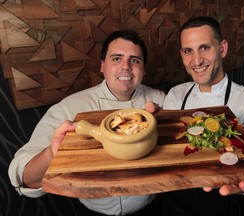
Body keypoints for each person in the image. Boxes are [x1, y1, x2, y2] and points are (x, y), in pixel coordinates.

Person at [8, 30, 165, 216]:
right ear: (102, 66)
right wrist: (52, 153)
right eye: (116, 58)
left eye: (135, 60)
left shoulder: (159, 100)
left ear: (143, 69)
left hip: (151, 209)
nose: (126, 66)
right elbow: (23, 177)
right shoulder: (71, 107)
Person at [158, 16, 244, 215]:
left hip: (221, 202)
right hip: (175, 201)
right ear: (181, 55)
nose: (196, 61)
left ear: (222, 49)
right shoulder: (175, 95)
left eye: (205, 47)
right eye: (188, 51)